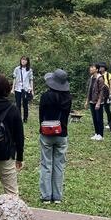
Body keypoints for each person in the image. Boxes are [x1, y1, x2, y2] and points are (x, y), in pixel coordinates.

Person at [38, 69, 72, 204]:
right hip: (62, 133)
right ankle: (57, 196)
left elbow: (41, 115)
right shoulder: (68, 98)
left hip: (46, 133)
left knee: (46, 164)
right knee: (59, 165)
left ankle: (46, 196)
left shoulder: (45, 96)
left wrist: (42, 127)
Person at [84, 63, 106, 140]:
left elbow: (101, 91)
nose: (90, 68)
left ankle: (101, 135)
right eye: (90, 67)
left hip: (98, 102)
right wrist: (87, 101)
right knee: (94, 118)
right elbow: (89, 91)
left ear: (97, 69)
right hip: (92, 101)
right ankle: (96, 133)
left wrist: (98, 103)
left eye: (92, 67)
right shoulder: (91, 78)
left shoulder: (100, 78)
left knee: (99, 118)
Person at [12, 56, 34, 123]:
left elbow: (31, 80)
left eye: (25, 60)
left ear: (27, 61)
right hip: (18, 89)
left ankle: (25, 119)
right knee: (18, 105)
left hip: (26, 89)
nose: (23, 61)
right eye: (22, 60)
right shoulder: (17, 69)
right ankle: (18, 119)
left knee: (25, 105)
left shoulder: (29, 70)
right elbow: (14, 79)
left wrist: (32, 90)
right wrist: (13, 88)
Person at [98, 62, 111, 128]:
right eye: (100, 67)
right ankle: (100, 122)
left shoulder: (108, 74)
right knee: (100, 108)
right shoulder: (98, 74)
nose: (101, 68)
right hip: (99, 93)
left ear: (105, 68)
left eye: (102, 67)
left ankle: (109, 123)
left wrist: (110, 93)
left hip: (106, 93)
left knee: (107, 109)